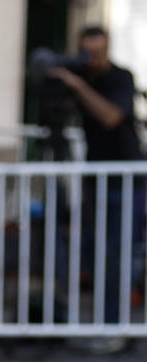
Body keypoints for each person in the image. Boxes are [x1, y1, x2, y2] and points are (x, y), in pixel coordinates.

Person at [48, 25, 144, 345]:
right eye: (88, 52)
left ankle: (115, 327)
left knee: (118, 254)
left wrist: (79, 87)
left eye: (98, 52)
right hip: (96, 178)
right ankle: (101, 323)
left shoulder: (120, 77)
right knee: (95, 252)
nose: (93, 59)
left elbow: (111, 117)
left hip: (125, 178)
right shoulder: (79, 76)